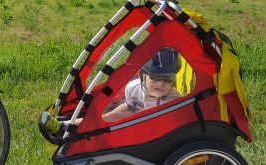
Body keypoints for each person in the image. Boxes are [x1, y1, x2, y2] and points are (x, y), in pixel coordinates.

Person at [40, 48, 183, 134]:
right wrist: (110, 116)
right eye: (155, 77)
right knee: (107, 117)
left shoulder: (174, 101)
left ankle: (71, 127)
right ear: (142, 75)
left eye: (168, 78)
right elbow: (129, 108)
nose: (161, 83)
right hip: (137, 122)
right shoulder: (133, 88)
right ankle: (65, 125)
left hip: (155, 134)